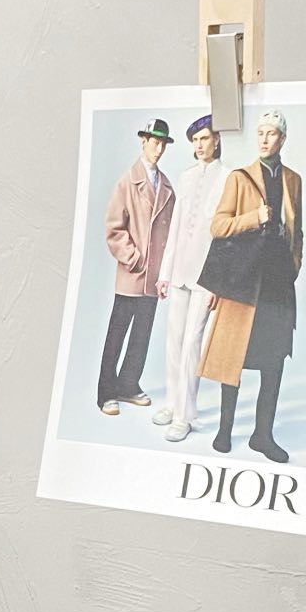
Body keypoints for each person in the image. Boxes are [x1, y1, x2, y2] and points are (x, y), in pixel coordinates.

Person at [198, 109, 304, 462]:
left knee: (274, 361)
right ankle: (225, 430)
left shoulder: (293, 180)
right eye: (260, 133)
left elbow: (298, 231)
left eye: (271, 133)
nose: (264, 139)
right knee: (234, 356)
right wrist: (253, 218)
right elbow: (218, 226)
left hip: (277, 283)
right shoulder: (240, 178)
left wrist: (294, 266)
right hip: (244, 280)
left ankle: (263, 435)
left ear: (282, 139)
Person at [152, 115, 226, 442]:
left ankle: (184, 415)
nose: (199, 145)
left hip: (206, 277)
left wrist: (218, 283)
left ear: (217, 140)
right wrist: (165, 274)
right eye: (195, 140)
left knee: (192, 343)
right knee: (174, 340)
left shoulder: (228, 178)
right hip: (180, 270)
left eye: (205, 139)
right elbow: (176, 227)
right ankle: (172, 403)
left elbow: (225, 238)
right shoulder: (185, 177)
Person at [97, 116, 176, 416]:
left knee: (142, 334)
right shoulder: (127, 182)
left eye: (163, 144)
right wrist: (135, 258)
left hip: (154, 277)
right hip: (133, 273)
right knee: (117, 334)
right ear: (143, 142)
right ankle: (106, 392)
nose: (159, 149)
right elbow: (114, 228)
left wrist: (164, 272)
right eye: (154, 143)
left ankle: (129, 384)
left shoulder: (166, 186)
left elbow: (172, 233)